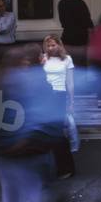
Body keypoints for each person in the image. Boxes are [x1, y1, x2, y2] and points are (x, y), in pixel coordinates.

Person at [0, 43, 62, 202]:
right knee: (32, 185)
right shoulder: (32, 82)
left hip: (3, 145)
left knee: (10, 185)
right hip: (27, 144)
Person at [41, 34, 76, 178]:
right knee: (46, 132)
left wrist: (71, 102)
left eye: (53, 45)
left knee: (58, 132)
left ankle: (66, 167)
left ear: (59, 45)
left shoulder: (67, 59)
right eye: (48, 45)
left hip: (60, 95)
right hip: (45, 95)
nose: (50, 48)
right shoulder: (43, 58)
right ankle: (52, 167)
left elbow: (70, 82)